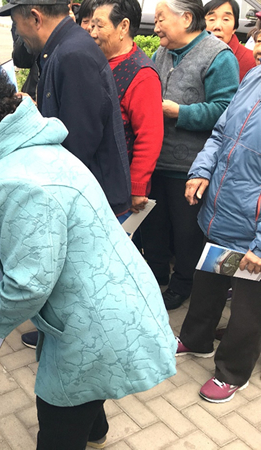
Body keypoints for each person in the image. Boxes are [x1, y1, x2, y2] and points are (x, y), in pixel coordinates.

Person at [0, 58, 176, 450]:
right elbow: (12, 216)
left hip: (94, 319)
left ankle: (85, 433)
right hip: (109, 296)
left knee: (58, 415)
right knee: (85, 390)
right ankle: (95, 432)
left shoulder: (15, 179)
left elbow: (29, 284)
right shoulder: (32, 148)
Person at [0, 0, 132, 349]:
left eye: (16, 24)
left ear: (35, 17)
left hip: (90, 191)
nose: (17, 34)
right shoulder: (63, 48)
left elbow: (79, 139)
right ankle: (57, 331)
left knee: (80, 279)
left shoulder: (72, 54)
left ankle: (74, 344)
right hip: (83, 188)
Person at [139, 0, 239, 310]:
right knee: (153, 227)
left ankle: (183, 284)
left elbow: (226, 112)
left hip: (191, 167)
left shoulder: (218, 56)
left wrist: (180, 112)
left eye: (161, 19)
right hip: (157, 160)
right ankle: (155, 276)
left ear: (185, 19)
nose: (156, 27)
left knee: (187, 236)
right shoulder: (162, 52)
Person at [176, 63, 261, 403]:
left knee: (248, 307)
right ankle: (196, 340)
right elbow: (220, 133)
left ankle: (232, 372)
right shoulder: (254, 76)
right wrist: (201, 170)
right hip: (223, 213)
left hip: (253, 231)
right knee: (209, 281)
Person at [90, 0, 163, 213]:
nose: (92, 33)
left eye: (99, 25)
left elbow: (149, 136)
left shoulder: (142, 74)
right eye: (91, 25)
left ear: (123, 26)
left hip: (119, 187)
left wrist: (136, 186)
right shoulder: (95, 61)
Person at [204, 0, 256, 81]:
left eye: (226, 19)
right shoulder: (190, 55)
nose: (217, 26)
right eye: (211, 19)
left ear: (234, 27)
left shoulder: (251, 61)